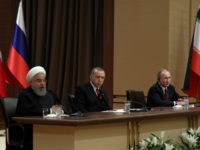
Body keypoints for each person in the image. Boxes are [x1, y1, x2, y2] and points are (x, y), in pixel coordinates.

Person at [15, 66, 61, 149]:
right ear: (31, 82)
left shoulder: (50, 94)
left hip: (51, 127)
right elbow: (28, 112)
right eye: (39, 81)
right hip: (31, 130)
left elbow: (60, 106)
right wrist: (50, 111)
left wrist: (59, 109)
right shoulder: (25, 95)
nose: (42, 84)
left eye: (44, 80)